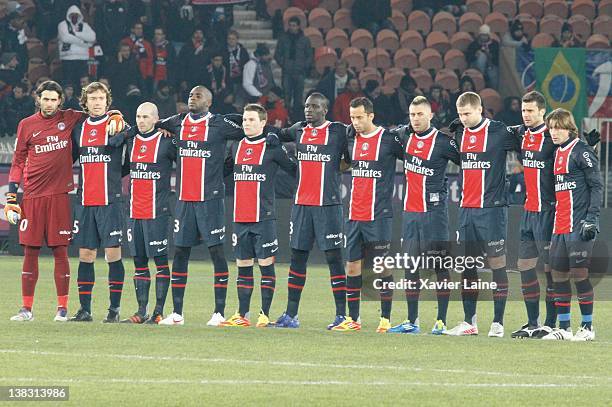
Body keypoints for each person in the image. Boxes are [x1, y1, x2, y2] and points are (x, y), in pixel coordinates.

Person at [6, 80, 121, 322]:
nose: (49, 103)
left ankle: (63, 308)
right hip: (33, 196)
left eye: (53, 99)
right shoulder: (26, 125)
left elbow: (97, 110)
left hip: (60, 195)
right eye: (45, 99)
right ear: (38, 99)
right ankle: (26, 309)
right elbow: (17, 161)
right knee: (30, 251)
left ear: (60, 101)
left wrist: (116, 114)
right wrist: (11, 196)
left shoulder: (70, 118)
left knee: (61, 251)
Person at [155, 86, 246, 326]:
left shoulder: (219, 124)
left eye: (197, 96)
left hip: (211, 200)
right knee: (181, 253)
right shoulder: (177, 122)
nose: (191, 99)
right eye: (189, 96)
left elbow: (248, 128)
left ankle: (219, 312)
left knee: (216, 253)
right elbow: (152, 124)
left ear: (209, 102)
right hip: (185, 201)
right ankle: (177, 314)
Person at [273, 93, 350, 330]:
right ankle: (291, 314)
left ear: (325, 110)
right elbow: (275, 133)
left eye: (315, 106)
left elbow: (351, 156)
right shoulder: (298, 129)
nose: (309, 110)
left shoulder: (338, 131)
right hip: (302, 206)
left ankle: (341, 316)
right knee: (298, 258)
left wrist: (338, 168)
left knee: (334, 260)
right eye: (306, 106)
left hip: (328, 206)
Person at [444, 91, 518, 337]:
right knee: (468, 267)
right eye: (460, 114)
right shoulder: (459, 133)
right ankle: (469, 322)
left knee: (497, 265)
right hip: (467, 210)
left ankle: (498, 322)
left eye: (467, 113)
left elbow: (527, 142)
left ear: (479, 110)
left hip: (493, 210)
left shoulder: (499, 131)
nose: (463, 118)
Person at [387, 96, 460, 335]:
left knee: (439, 266)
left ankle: (441, 320)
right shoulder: (404, 137)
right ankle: (412, 320)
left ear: (430, 116)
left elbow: (467, 161)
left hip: (434, 214)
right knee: (410, 267)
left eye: (420, 114)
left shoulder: (442, 142)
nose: (416, 119)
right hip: (410, 213)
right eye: (412, 114)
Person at [220, 103, 297, 327]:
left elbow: (294, 170)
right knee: (243, 267)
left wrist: (276, 138)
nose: (246, 123)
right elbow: (223, 169)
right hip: (240, 217)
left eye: (252, 120)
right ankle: (242, 314)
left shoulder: (272, 147)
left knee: (265, 266)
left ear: (263, 123)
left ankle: (264, 314)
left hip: (264, 217)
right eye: (244, 120)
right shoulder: (236, 146)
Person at [337, 97, 403, 332]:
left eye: (359, 117)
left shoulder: (388, 139)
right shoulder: (350, 138)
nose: (355, 122)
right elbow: (344, 164)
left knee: (381, 267)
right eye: (352, 117)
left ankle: (385, 318)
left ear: (371, 116)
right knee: (352, 267)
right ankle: (353, 319)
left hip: (379, 214)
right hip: (354, 213)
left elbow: (411, 158)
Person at [69, 81, 127, 323]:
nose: (96, 103)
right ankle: (85, 310)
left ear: (107, 101)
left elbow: (139, 141)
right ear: (86, 102)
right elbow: (70, 158)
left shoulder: (118, 125)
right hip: (85, 201)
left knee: (113, 254)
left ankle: (114, 310)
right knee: (86, 254)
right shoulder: (78, 129)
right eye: (92, 99)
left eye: (101, 99)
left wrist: (116, 176)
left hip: (110, 201)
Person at [542, 108, 602, 341]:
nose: (554, 132)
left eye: (558, 128)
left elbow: (596, 186)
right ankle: (564, 328)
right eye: (551, 128)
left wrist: (592, 218)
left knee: (579, 274)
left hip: (579, 224)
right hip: (560, 225)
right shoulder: (558, 153)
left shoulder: (581, 151)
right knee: (558, 275)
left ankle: (587, 328)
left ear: (569, 128)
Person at [120, 102, 177, 324]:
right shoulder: (131, 140)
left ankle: (158, 311)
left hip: (158, 213)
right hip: (134, 212)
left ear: (156, 119)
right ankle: (141, 311)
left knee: (161, 262)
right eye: (138, 116)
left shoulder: (167, 141)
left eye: (145, 117)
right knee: (139, 263)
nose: (141, 120)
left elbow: (187, 159)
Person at [274, 16, 313, 118]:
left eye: (294, 25)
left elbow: (309, 55)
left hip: (300, 72)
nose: (292, 27)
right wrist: (284, 64)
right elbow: (277, 54)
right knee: (286, 95)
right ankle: (286, 117)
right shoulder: (283, 38)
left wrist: (304, 66)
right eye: (290, 25)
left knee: (298, 96)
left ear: (298, 26)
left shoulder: (305, 40)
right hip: (287, 72)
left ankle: (296, 117)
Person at [58, 5, 96, 83]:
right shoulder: (62, 25)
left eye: (76, 15)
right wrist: (84, 43)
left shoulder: (85, 25)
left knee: (82, 83)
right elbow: (65, 38)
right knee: (68, 83)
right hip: (68, 58)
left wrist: (75, 34)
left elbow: (92, 38)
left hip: (83, 59)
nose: (74, 17)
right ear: (69, 15)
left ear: (79, 16)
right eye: (72, 15)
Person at [121, 22, 154, 94]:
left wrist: (149, 75)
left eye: (141, 28)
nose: (139, 30)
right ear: (132, 29)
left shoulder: (146, 44)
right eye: (137, 28)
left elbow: (150, 60)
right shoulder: (125, 41)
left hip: (143, 76)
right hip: (128, 75)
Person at [466, 24, 499, 89]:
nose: (484, 37)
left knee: (493, 75)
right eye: (482, 35)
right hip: (477, 67)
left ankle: (494, 90)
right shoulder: (474, 44)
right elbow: (468, 58)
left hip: (491, 65)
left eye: (486, 35)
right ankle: (481, 76)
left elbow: (498, 58)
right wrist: (475, 55)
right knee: (482, 56)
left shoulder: (494, 44)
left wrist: (490, 55)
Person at [222, 30, 250, 95]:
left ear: (237, 40)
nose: (231, 41)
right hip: (227, 81)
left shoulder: (243, 51)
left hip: (240, 80)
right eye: (229, 39)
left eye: (233, 39)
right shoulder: (222, 51)